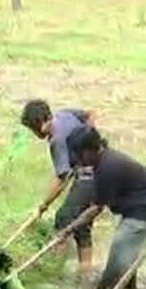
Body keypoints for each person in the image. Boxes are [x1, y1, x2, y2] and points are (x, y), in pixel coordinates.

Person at [64, 125, 146, 289]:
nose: (76, 159)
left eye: (78, 154)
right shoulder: (103, 161)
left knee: (120, 249)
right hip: (139, 205)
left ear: (90, 150)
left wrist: (68, 229)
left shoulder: (107, 167)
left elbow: (96, 209)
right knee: (127, 249)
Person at [19, 100, 97, 278]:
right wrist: (90, 135)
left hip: (90, 176)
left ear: (39, 123)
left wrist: (43, 205)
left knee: (64, 218)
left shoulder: (57, 141)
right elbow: (90, 113)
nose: (34, 133)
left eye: (32, 129)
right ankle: (86, 271)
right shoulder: (64, 114)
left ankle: (54, 271)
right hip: (99, 170)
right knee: (81, 223)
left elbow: (61, 179)